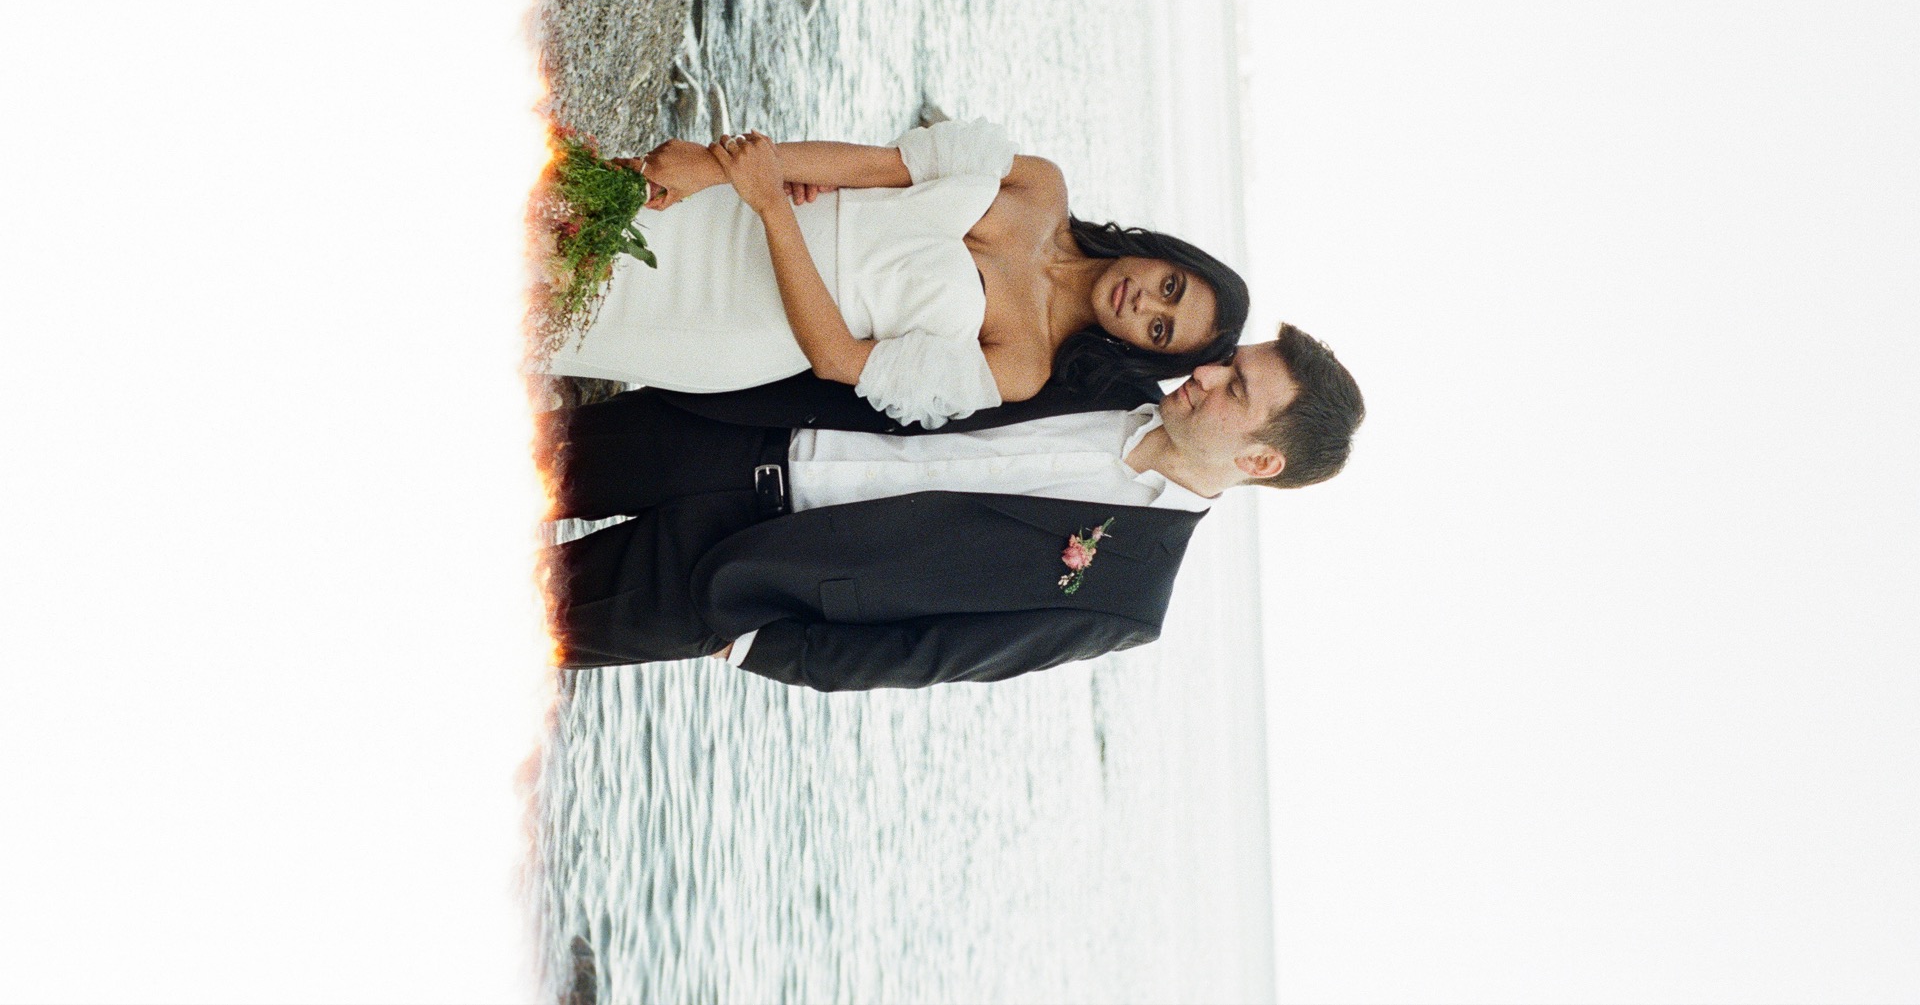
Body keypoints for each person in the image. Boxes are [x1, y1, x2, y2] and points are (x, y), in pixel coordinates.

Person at [540, 324, 1365, 691]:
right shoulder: (1102, 371)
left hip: (745, 578)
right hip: (734, 430)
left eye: (1238, 386)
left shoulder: (1125, 597)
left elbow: (933, 654)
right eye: (1231, 359)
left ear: (1261, 459)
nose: (1211, 372)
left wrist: (755, 642)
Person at [542, 119, 1251, 429]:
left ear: (1140, 348)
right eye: (1171, 286)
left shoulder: (1023, 366)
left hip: (739, 318)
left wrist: (769, 206)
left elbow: (836, 358)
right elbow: (872, 166)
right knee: (538, 209)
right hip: (727, 216)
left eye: (1159, 328)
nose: (1143, 303)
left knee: (533, 308)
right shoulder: (1041, 187)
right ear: (1168, 256)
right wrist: (714, 168)